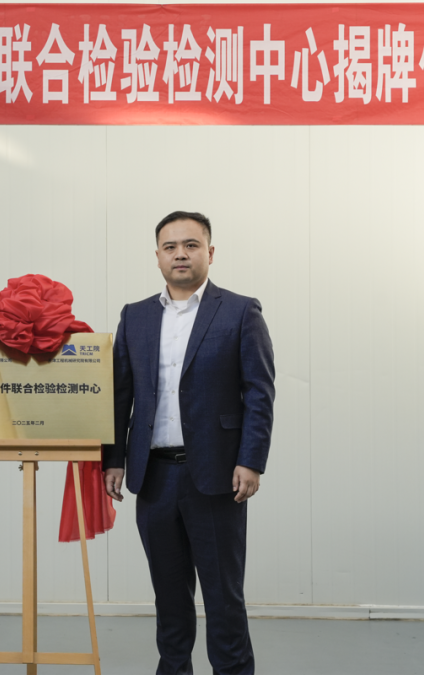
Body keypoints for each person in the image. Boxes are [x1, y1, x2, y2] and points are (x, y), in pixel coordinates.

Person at [103, 211, 275, 675]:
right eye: (170, 247)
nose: (180, 254)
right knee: (169, 596)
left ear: (210, 253)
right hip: (154, 477)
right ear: (158, 256)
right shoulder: (135, 316)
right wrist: (113, 459)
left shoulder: (240, 311)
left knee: (223, 597)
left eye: (191, 245)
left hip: (216, 478)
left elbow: (259, 393)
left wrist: (251, 460)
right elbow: (120, 395)